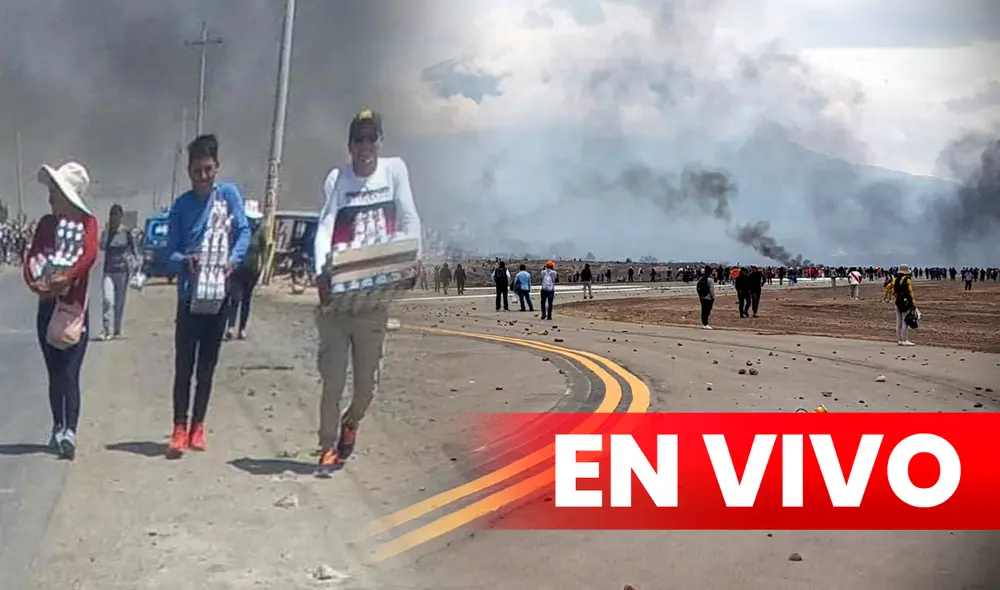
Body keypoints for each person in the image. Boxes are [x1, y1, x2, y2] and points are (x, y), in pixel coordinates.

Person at [312, 108, 422, 477]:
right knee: (332, 379)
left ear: (379, 141)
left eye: (370, 137)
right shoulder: (338, 180)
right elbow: (326, 225)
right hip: (339, 299)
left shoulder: (394, 172)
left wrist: (412, 258)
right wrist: (320, 272)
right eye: (358, 139)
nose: (365, 146)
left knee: (366, 387)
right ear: (349, 145)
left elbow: (408, 218)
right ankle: (327, 447)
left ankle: (351, 422)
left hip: (374, 298)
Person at [165, 134, 251, 458]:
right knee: (183, 367)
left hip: (219, 296)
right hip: (189, 297)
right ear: (189, 171)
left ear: (217, 168)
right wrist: (186, 260)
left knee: (207, 367)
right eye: (197, 171)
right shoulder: (181, 206)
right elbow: (168, 251)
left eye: (208, 169)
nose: (203, 176)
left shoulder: (228, 197)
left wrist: (233, 260)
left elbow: (242, 230)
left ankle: (199, 425)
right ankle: (178, 427)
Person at [22, 162, 99, 460]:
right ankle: (57, 426)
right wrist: (36, 283)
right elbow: (32, 258)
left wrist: (68, 277)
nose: (50, 198)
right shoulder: (45, 224)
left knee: (71, 372)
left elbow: (90, 254)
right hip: (46, 309)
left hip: (74, 311)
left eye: (54, 192)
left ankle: (71, 431)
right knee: (54, 373)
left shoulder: (88, 224)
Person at [97, 204, 138, 340]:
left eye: (116, 216)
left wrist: (136, 266)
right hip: (108, 271)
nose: (114, 219)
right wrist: (107, 232)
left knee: (120, 302)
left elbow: (135, 251)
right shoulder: (107, 233)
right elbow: (101, 246)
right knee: (108, 300)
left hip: (122, 272)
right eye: (112, 216)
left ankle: (117, 330)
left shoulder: (126, 233)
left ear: (121, 217)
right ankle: (106, 329)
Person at [226, 208, 267, 340]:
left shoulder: (260, 232)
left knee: (246, 300)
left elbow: (263, 250)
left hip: (252, 271)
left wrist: (262, 268)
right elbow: (230, 246)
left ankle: (242, 328)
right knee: (235, 298)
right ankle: (231, 327)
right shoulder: (238, 231)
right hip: (237, 269)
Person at [893, 265, 916, 346]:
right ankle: (904, 340)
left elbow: (888, 287)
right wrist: (913, 302)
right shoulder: (907, 280)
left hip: (897, 302)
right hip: (906, 303)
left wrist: (895, 295)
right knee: (905, 322)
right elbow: (910, 292)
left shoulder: (895, 279)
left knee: (898, 322)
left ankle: (899, 340)